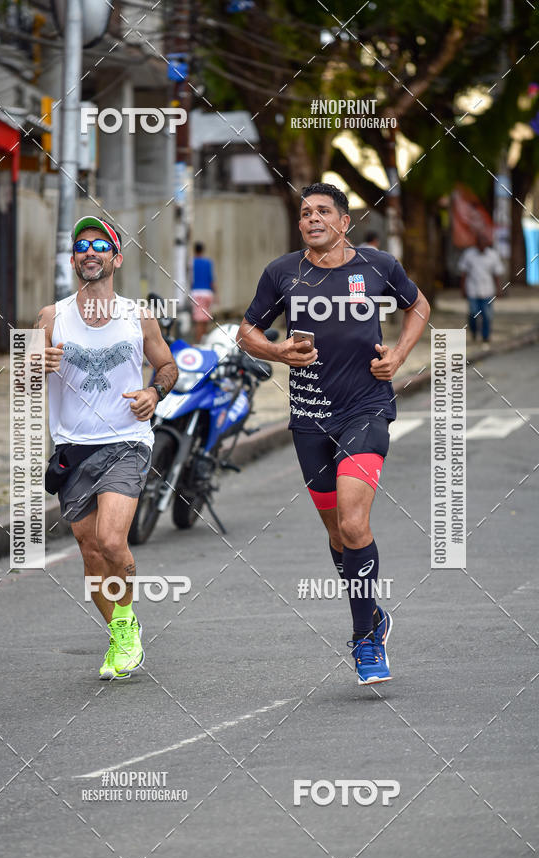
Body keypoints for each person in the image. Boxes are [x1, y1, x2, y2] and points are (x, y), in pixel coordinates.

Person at [237, 183, 430, 686]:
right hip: (309, 418)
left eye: (323, 211)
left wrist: (400, 354)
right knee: (336, 534)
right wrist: (278, 353)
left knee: (353, 520)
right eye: (305, 213)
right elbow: (246, 333)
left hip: (366, 410)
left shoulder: (377, 266)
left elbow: (419, 307)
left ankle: (365, 640)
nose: (312, 218)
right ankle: (374, 615)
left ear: (345, 221)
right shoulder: (282, 273)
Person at [36, 216, 178, 680]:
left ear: (116, 258)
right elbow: (22, 379)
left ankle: (125, 625)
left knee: (111, 540)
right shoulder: (51, 317)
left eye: (100, 245)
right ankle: (122, 626)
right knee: (90, 552)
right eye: (81, 246)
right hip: (72, 448)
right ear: (74, 259)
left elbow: (167, 365)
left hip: (125, 442)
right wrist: (39, 364)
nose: (89, 251)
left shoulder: (138, 315)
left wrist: (154, 393)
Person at [458, 234, 504, 348]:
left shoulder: (493, 255)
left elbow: (497, 274)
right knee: (473, 313)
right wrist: (463, 289)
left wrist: (499, 289)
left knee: (487, 315)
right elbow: (463, 273)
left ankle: (486, 336)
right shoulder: (469, 254)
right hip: (472, 290)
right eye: (479, 243)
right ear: (476, 243)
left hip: (488, 290)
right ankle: (473, 331)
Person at [191, 241, 217, 343]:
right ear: (203, 250)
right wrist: (217, 294)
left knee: (198, 320)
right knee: (205, 318)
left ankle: (199, 343)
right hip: (208, 293)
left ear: (194, 250)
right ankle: (205, 341)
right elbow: (212, 279)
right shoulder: (208, 262)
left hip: (197, 293)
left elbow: (189, 279)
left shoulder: (191, 262)